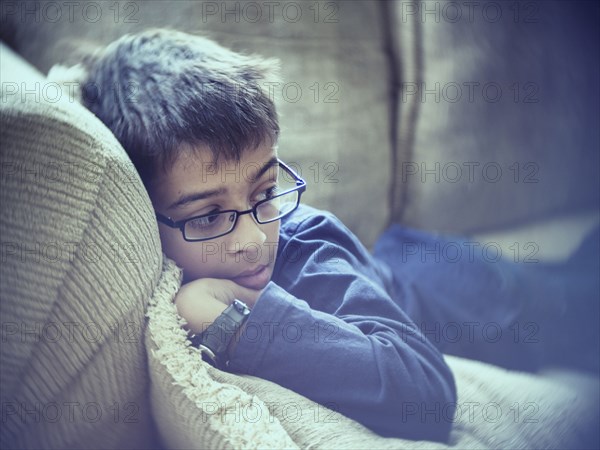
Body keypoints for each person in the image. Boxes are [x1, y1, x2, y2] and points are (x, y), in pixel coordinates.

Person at [79, 28, 599, 442]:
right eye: (209, 216)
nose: (254, 239)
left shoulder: (307, 250)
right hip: (403, 262)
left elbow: (425, 390)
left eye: (264, 193)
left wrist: (237, 320)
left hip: (475, 303)